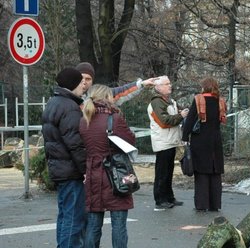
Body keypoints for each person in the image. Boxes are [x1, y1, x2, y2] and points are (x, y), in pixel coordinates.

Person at [80, 85, 136, 248]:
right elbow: (131, 140)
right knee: (118, 225)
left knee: (93, 225)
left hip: (92, 175)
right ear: (107, 97)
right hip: (115, 174)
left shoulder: (84, 120)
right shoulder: (114, 118)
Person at [42, 67, 87, 247]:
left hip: (60, 168)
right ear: (73, 84)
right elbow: (75, 144)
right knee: (73, 218)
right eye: (80, 82)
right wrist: (85, 170)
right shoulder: (70, 107)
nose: (83, 85)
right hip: (71, 171)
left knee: (64, 215)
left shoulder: (53, 102)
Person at [181, 77, 227, 212]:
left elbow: (190, 120)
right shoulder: (220, 101)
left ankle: (202, 204)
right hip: (216, 141)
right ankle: (215, 204)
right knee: (215, 172)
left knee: (201, 173)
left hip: (200, 141)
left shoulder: (198, 100)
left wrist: (185, 136)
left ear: (204, 87)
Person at [147, 76, 188, 210]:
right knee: (162, 172)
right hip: (163, 142)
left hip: (170, 141)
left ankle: (169, 197)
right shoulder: (156, 103)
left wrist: (181, 113)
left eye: (169, 83)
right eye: (166, 84)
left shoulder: (170, 101)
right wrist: (180, 116)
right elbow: (164, 122)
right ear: (157, 88)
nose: (169, 86)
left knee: (168, 171)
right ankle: (160, 200)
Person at [75, 62, 158, 106]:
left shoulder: (101, 95)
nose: (84, 81)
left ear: (92, 80)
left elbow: (122, 91)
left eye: (88, 79)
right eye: (81, 78)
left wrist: (142, 84)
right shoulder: (67, 95)